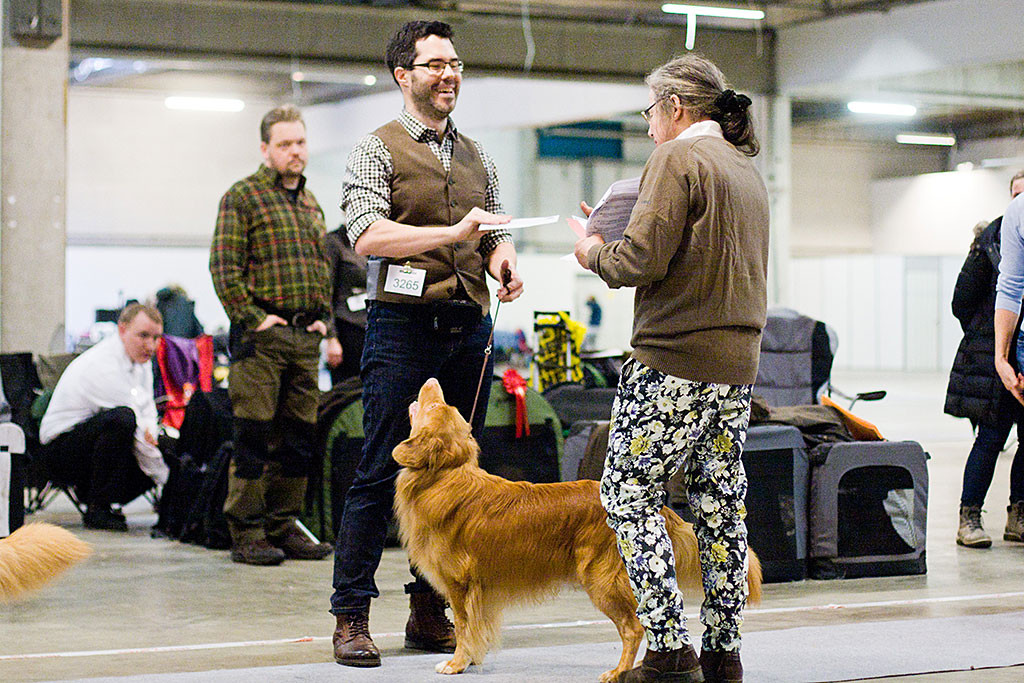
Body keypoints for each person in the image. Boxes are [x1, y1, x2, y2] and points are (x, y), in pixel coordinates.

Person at [329, 19, 524, 668]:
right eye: (435, 65)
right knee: (380, 467)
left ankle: (429, 609)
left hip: (468, 325)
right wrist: (453, 233)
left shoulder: (477, 155)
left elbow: (492, 231)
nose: (449, 75)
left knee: (457, 473)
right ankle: (351, 615)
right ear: (402, 75)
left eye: (455, 64)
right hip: (401, 327)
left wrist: (503, 260)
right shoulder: (376, 148)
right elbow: (367, 236)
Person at [573, 54, 768, 683]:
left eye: (650, 111)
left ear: (676, 107)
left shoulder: (676, 158)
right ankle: (723, 652)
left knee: (628, 494)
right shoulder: (743, 167)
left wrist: (592, 249)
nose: (650, 125)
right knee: (720, 506)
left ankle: (667, 648)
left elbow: (638, 262)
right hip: (735, 367)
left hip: (671, 360)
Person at [210, 104, 335, 566]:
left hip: (305, 338)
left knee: (299, 438)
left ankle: (284, 527)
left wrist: (323, 320)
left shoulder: (310, 202)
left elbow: (321, 267)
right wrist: (253, 317)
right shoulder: (242, 197)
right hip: (262, 340)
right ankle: (247, 531)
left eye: (300, 142)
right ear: (266, 149)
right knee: (254, 435)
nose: (294, 151)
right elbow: (223, 267)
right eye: (284, 144)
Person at [39, 303, 169, 531]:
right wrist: (168, 480)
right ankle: (98, 507)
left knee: (156, 443)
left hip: (87, 443)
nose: (151, 345)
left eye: (156, 337)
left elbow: (148, 411)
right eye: (143, 336)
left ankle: (99, 498)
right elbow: (137, 432)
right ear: (122, 330)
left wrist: (156, 438)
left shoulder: (140, 361)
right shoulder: (103, 365)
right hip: (58, 452)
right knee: (123, 420)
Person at [978, 170, 1024, 547]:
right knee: (991, 438)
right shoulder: (1018, 214)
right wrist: (1000, 356)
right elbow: (1009, 285)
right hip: (1019, 344)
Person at [325, 226, 367, 385]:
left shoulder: (373, 241)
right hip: (347, 329)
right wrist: (331, 338)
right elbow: (326, 293)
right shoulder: (334, 242)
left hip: (371, 327)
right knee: (347, 390)